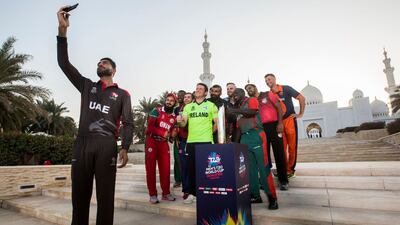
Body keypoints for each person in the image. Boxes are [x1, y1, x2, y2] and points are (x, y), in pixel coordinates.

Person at [57, 6, 133, 225]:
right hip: (82, 144)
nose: (101, 63)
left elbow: (128, 123)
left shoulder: (122, 94)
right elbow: (64, 64)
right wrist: (62, 32)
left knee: (105, 198)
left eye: (105, 62)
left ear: (114, 70)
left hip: (106, 145)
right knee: (79, 197)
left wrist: (125, 147)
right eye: (99, 62)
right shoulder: (87, 86)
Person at [229, 88, 278, 210]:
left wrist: (234, 110)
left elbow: (252, 111)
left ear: (242, 94)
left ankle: (272, 198)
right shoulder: (238, 110)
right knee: (250, 170)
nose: (234, 96)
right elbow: (239, 129)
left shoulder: (250, 100)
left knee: (263, 168)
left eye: (236, 94)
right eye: (232, 95)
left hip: (256, 135)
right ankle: (256, 196)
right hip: (245, 139)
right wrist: (234, 143)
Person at [177, 83, 218, 204]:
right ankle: (192, 194)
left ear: (206, 93)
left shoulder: (211, 105)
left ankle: (206, 193)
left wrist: (211, 131)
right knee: (191, 170)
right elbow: (183, 124)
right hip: (191, 142)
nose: (198, 90)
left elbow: (217, 122)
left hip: (206, 141)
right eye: (197, 88)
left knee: (207, 170)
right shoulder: (188, 107)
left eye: (201, 89)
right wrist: (180, 122)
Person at [248, 82, 289, 190]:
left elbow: (279, 107)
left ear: (255, 87)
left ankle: (283, 181)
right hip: (261, 130)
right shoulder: (251, 101)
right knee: (262, 156)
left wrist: (280, 123)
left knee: (279, 153)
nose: (249, 89)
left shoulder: (267, 94)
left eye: (250, 87)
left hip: (274, 126)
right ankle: (264, 181)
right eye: (247, 89)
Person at [265, 74, 305, 178]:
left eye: (269, 79)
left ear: (275, 79)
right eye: (266, 80)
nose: (267, 81)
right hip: (278, 124)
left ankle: (290, 170)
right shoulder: (268, 94)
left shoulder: (286, 88)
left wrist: (300, 114)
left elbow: (301, 98)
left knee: (292, 147)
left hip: (289, 121)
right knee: (281, 148)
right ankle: (282, 170)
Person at [145, 93, 178, 203]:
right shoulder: (156, 111)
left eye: (172, 101)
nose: (169, 102)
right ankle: (152, 194)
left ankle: (166, 193)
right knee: (150, 169)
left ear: (174, 103)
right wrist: (161, 132)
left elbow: (173, 131)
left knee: (166, 169)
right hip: (151, 141)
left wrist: (173, 134)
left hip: (163, 143)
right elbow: (149, 127)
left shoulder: (174, 117)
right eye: (167, 100)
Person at [174, 92, 193, 200]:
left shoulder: (195, 108)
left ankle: (195, 189)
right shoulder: (178, 109)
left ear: (192, 99)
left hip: (194, 139)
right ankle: (186, 190)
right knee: (184, 167)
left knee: (194, 166)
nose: (186, 98)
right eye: (185, 97)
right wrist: (176, 138)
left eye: (188, 97)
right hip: (183, 141)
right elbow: (176, 125)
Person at [173, 90, 186, 188]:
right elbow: (174, 124)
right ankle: (178, 180)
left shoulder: (190, 107)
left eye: (183, 95)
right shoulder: (176, 109)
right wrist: (176, 138)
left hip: (190, 137)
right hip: (179, 138)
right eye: (179, 95)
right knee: (177, 160)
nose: (180, 96)